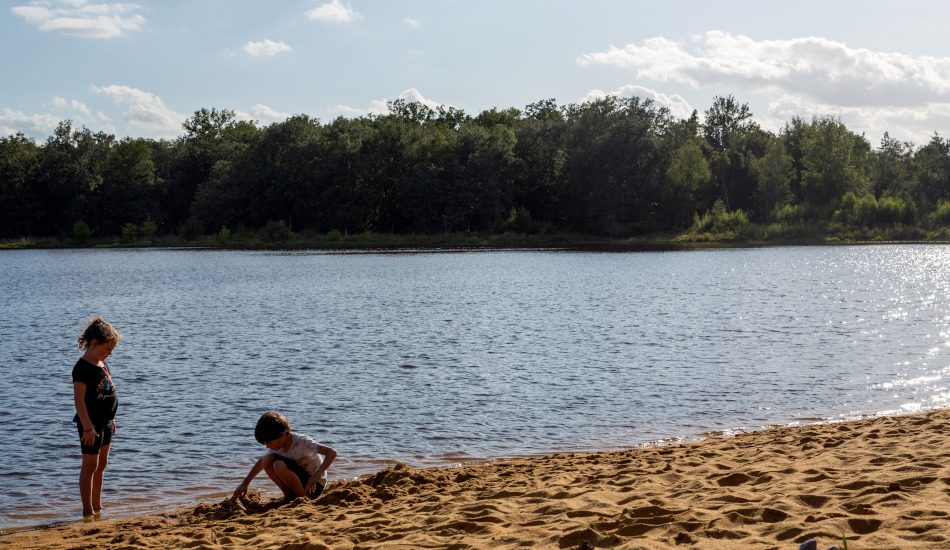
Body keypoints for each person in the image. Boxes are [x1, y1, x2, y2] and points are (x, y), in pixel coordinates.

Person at [71, 316, 122, 518]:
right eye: (107, 349)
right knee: (90, 465)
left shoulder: (101, 363)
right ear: (93, 343)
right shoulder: (82, 368)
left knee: (102, 465)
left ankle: (98, 506)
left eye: (111, 350)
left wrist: (112, 418)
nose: (109, 353)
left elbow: (108, 391)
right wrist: (87, 427)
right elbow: (79, 401)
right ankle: (87, 510)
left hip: (106, 422)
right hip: (90, 425)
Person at [232, 411, 337, 502]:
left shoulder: (303, 442)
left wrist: (316, 476)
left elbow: (332, 452)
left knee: (278, 465)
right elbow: (261, 463)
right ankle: (288, 495)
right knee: (267, 460)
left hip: (314, 486)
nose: (267, 446)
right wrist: (245, 483)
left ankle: (303, 499)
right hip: (298, 482)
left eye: (269, 442)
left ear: (282, 435)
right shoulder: (277, 445)